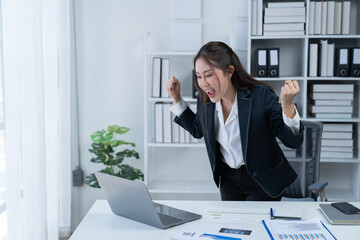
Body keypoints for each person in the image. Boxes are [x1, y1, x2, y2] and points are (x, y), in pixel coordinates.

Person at [166, 41, 304, 201]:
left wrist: (288, 105)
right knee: (231, 224)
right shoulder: (205, 100)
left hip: (262, 180)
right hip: (228, 180)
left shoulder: (260, 96)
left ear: (229, 71)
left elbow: (292, 141)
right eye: (198, 76)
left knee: (254, 224)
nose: (203, 84)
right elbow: (198, 130)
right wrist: (176, 98)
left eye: (209, 75)